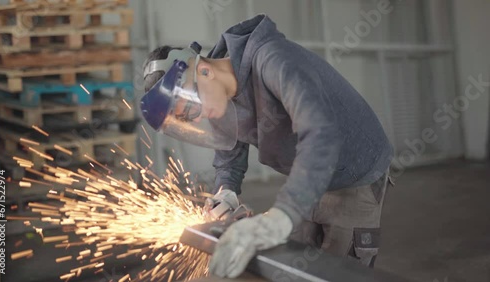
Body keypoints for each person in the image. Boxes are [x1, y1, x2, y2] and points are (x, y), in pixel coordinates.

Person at [140, 14, 394, 278]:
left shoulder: (273, 60)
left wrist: (282, 216)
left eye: (192, 107)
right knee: (297, 266)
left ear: (204, 70)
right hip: (307, 174)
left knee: (340, 272)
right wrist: (226, 191)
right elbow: (229, 153)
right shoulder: (216, 96)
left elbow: (320, 134)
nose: (199, 116)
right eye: (189, 116)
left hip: (355, 170)